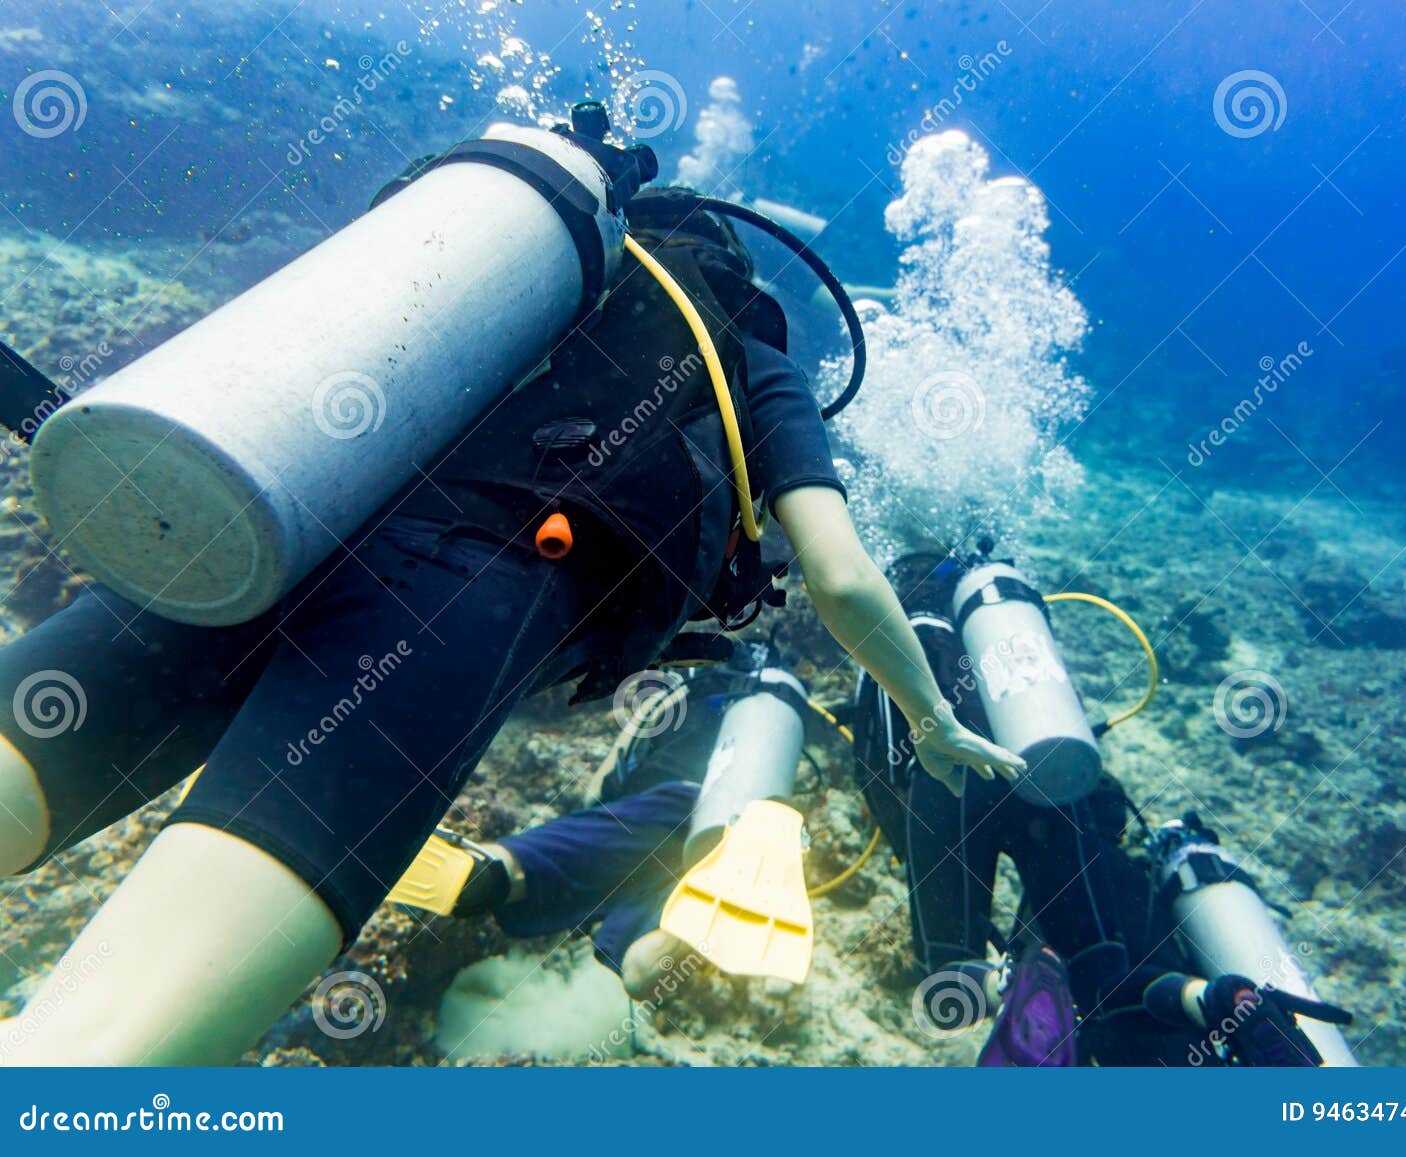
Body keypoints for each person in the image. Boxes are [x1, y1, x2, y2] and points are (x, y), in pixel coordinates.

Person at [0, 178, 1022, 1065]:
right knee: (99, 1052)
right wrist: (929, 716)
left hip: (269, 530)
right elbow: (841, 577)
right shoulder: (747, 356)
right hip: (454, 607)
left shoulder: (513, 298)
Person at [851, 555, 1354, 1067]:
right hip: (1051, 780)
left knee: (949, 986)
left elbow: (882, 781)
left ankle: (1017, 983)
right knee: (1096, 972)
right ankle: (1177, 997)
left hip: (953, 786)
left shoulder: (884, 662)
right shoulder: (1016, 671)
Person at [385, 645, 836, 998]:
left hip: (657, 805)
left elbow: (609, 772)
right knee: (645, 967)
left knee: (499, 873)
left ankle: (373, 860)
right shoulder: (779, 724)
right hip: (720, 838)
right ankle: (679, 934)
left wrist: (595, 826)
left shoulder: (688, 684)